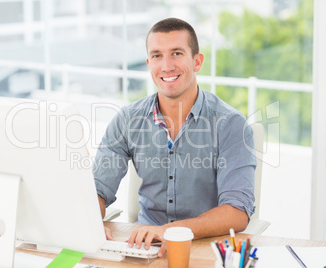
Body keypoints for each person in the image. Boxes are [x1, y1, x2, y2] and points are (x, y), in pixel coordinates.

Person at [93, 17, 256, 257]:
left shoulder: (231, 124)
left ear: (197, 61)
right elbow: (97, 189)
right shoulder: (127, 120)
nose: (166, 66)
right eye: (157, 55)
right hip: (144, 249)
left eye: (177, 53)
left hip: (205, 248)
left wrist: (171, 231)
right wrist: (90, 223)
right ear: (149, 63)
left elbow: (236, 212)